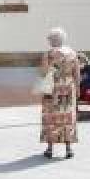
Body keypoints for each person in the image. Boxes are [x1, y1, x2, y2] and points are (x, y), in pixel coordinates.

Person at [37, 28, 80, 159]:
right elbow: (77, 73)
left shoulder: (49, 54)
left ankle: (50, 149)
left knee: (51, 117)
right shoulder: (72, 53)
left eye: (50, 39)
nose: (49, 41)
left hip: (53, 88)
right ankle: (68, 149)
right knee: (67, 117)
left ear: (54, 40)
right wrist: (77, 88)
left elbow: (43, 73)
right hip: (68, 87)